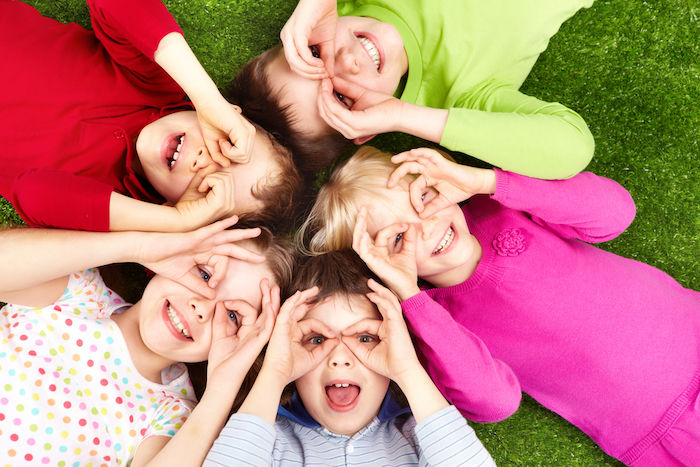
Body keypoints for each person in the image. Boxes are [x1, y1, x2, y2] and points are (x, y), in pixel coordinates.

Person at [298, 146, 700, 466]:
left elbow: (615, 213)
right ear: (383, 267)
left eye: (424, 196)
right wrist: (408, 294)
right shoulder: (436, 322)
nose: (428, 225)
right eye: (399, 240)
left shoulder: (500, 206)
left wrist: (486, 182)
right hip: (666, 428)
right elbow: (494, 403)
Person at [0, 217, 295, 465]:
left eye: (232, 315)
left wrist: (222, 388)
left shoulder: (173, 414)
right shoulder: (80, 293)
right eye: (204, 274)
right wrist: (140, 246)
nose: (202, 307)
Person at [0, 0, 302, 233]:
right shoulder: (157, 87)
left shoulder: (114, 207)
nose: (202, 161)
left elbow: (31, 193)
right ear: (231, 117)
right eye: (226, 145)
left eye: (209, 188)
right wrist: (206, 97)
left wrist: (174, 220)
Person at [229, 0, 595, 177]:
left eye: (314, 53)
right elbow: (572, 148)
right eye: (341, 96)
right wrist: (410, 118)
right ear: (366, 125)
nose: (347, 60)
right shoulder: (463, 95)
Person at [204, 250, 494, 466]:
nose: (340, 358)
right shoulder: (267, 441)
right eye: (316, 340)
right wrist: (275, 373)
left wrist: (408, 370)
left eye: (365, 338)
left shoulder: (419, 440)